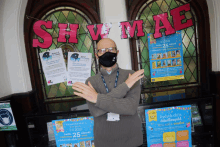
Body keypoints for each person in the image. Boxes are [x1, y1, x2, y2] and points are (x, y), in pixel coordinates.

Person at [72, 38, 144, 147]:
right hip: (104, 142)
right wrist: (125, 87)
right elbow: (95, 111)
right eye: (102, 50)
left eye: (111, 49)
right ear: (96, 55)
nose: (107, 53)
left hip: (132, 140)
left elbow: (130, 108)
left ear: (117, 52)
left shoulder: (131, 76)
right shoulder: (91, 81)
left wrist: (97, 98)